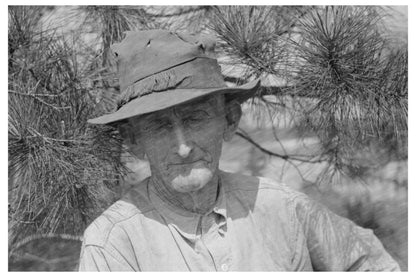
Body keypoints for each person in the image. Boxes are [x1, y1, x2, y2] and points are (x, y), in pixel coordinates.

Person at [78, 29, 400, 271]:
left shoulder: (279, 206)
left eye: (195, 118)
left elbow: (369, 262)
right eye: (160, 127)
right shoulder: (114, 243)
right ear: (135, 141)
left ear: (229, 120)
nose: (183, 146)